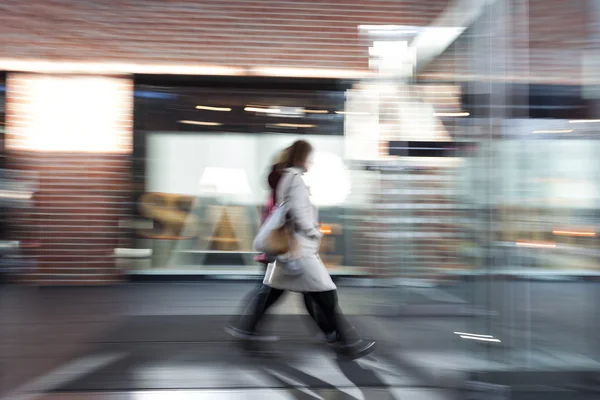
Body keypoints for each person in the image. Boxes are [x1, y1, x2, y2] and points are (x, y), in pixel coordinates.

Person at [229, 140, 376, 359]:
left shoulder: (285, 177)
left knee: (276, 293)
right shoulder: (296, 180)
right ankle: (347, 342)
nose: (311, 161)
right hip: (300, 249)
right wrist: (315, 232)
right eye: (309, 157)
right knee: (326, 294)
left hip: (289, 251)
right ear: (301, 157)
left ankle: (248, 331)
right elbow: (299, 213)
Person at [227, 147, 335, 342]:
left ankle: (329, 331)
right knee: (292, 291)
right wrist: (312, 232)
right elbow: (290, 215)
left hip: (282, 245)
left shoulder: (279, 181)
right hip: (285, 246)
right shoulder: (290, 181)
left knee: (284, 292)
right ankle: (330, 332)